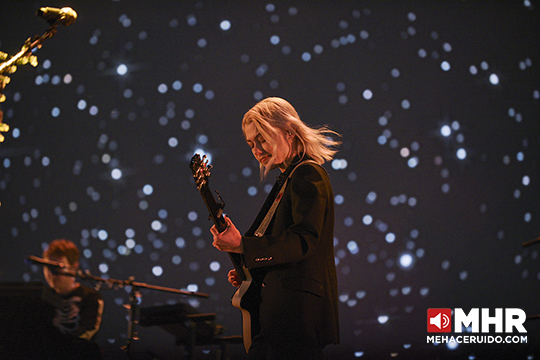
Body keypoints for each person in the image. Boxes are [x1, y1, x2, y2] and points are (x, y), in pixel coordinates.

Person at [210, 97, 340, 359]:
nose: (257, 149)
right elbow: (286, 246)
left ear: (289, 133)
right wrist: (253, 271)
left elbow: (303, 240)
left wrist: (243, 246)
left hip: (295, 316)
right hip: (281, 315)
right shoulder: (289, 176)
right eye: (250, 144)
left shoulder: (307, 173)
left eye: (262, 139)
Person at [41, 239, 105, 359]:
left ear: (73, 267)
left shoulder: (90, 297)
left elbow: (88, 331)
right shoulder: (42, 297)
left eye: (56, 267)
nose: (51, 274)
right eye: (47, 267)